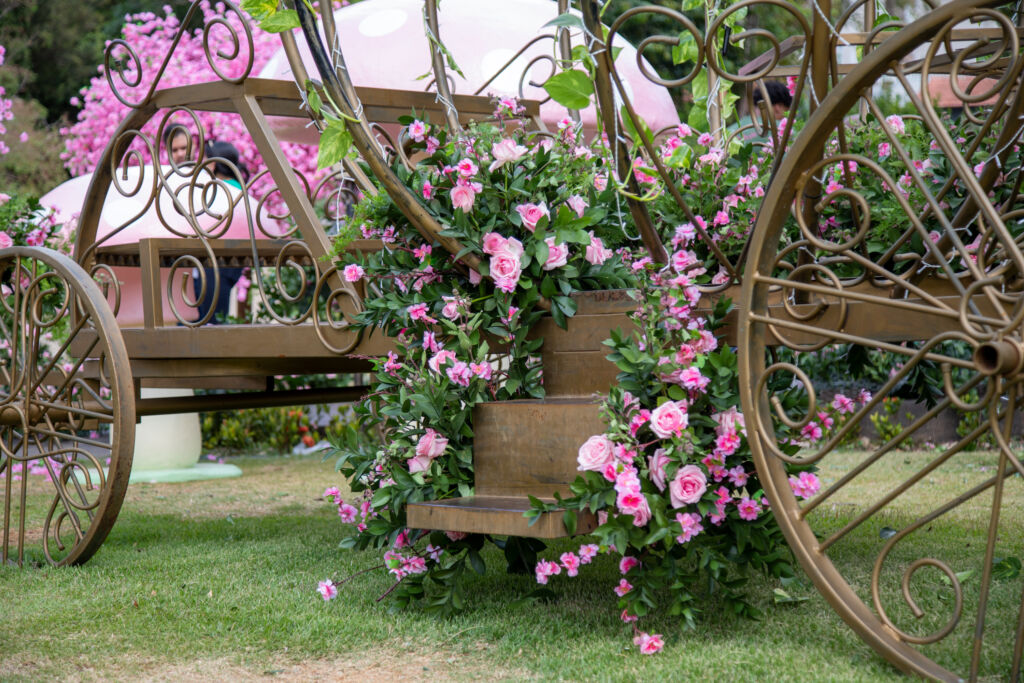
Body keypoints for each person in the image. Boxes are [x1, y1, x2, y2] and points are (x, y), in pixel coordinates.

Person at [194, 140, 249, 322]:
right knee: (213, 319)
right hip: (227, 263)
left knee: (210, 321)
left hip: (216, 262)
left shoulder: (224, 189)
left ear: (215, 162)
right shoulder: (237, 187)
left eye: (207, 158)